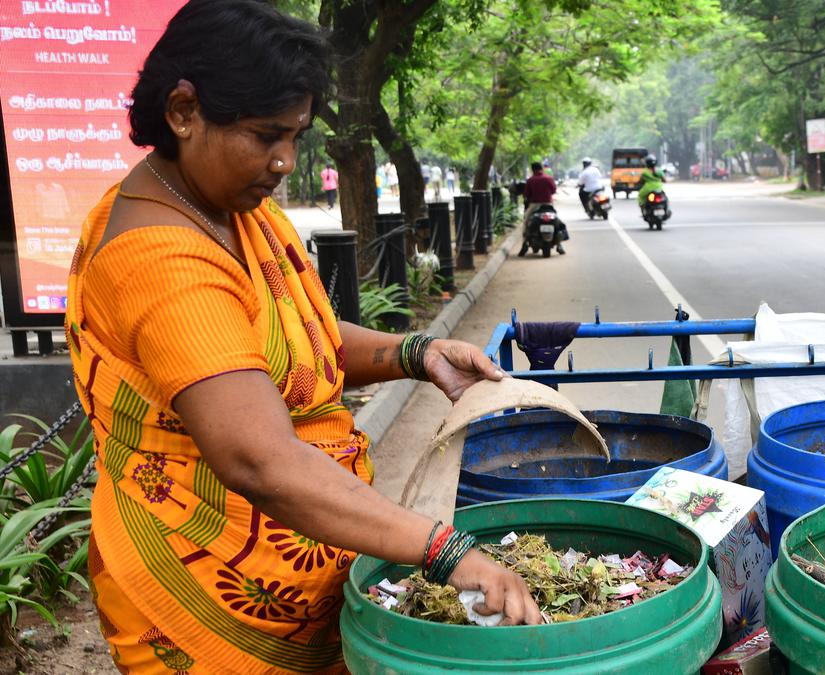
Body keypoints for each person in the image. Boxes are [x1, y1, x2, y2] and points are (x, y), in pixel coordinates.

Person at [66, 3, 541, 673]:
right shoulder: (159, 262)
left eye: (296, 136)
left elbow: (296, 339)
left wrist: (415, 352)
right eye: (266, 136)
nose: (285, 161)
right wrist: (445, 548)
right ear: (182, 110)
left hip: (301, 577)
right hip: (206, 603)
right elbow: (260, 461)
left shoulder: (227, 209)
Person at [522, 161, 565, 253]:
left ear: (532, 170)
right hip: (548, 204)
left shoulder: (530, 180)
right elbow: (553, 190)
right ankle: (559, 245)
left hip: (535, 205)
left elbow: (526, 194)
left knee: (526, 221)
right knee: (557, 221)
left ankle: (524, 243)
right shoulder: (548, 178)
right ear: (541, 168)